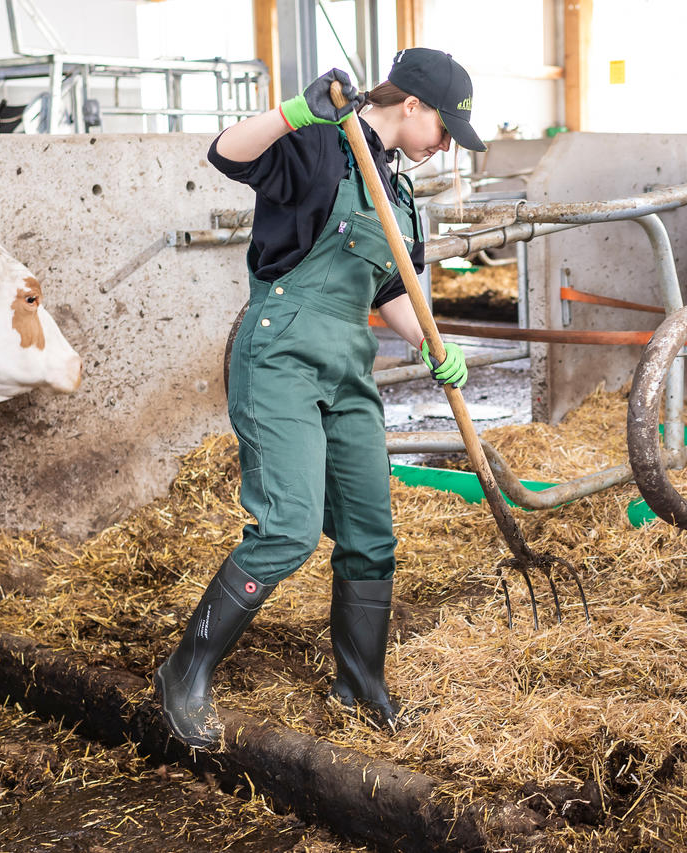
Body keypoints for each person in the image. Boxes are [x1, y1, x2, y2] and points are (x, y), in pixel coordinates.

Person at [154, 49, 487, 749]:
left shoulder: (395, 189)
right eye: (447, 127)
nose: (447, 143)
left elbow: (392, 287)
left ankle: (360, 685)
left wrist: (433, 343)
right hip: (280, 356)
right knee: (289, 529)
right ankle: (184, 671)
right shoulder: (319, 144)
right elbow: (224, 152)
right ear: (413, 106)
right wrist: (295, 111)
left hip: (348, 369)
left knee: (371, 534)